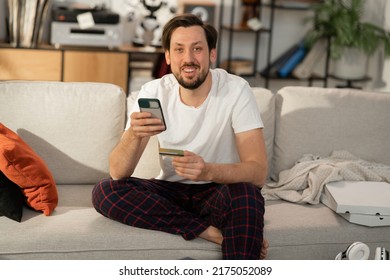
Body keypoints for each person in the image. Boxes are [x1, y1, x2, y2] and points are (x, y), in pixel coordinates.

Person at [92, 13, 268, 260]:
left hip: (217, 192)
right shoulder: (154, 92)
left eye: (197, 49)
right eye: (179, 50)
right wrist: (133, 134)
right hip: (169, 192)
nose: (188, 59)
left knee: (248, 196)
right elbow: (118, 173)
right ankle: (208, 231)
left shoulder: (236, 90)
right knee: (105, 191)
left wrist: (208, 171)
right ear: (168, 56)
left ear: (212, 54)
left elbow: (258, 172)